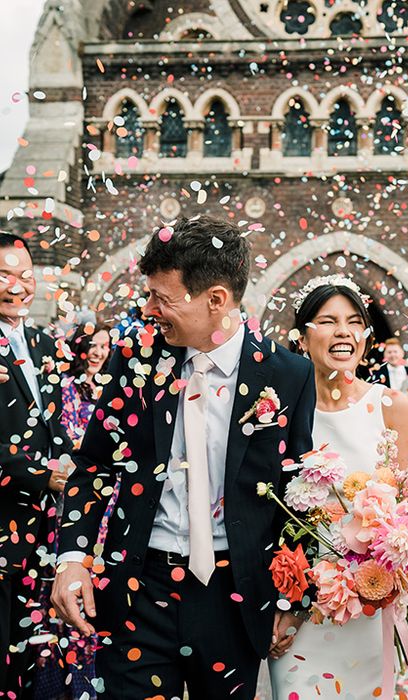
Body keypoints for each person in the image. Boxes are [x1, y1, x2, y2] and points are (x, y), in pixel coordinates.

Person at [51, 216, 316, 698]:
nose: (149, 308)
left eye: (162, 298)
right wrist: (71, 558)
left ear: (215, 299)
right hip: (138, 588)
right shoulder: (135, 359)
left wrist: (292, 596)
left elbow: (300, 493)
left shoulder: (288, 373)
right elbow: (94, 464)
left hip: (232, 594)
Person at [268, 276, 408, 698]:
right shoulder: (278, 413)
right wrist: (288, 602)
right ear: (301, 337)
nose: (343, 333)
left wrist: (393, 566)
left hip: (369, 606)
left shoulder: (392, 407)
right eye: (328, 321)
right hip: (299, 612)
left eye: (354, 322)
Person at [0, 232, 74, 695]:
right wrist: (45, 475)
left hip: (41, 534)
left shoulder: (44, 345)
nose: (17, 286)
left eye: (25, 275)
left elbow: (52, 424)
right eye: (4, 275)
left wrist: (71, 458)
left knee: (30, 657)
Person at [34, 322, 112, 699]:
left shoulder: (114, 389)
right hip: (68, 499)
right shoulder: (62, 389)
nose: (98, 352)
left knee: (96, 587)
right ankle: (56, 684)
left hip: (107, 505)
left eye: (104, 347)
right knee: (64, 585)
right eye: (93, 345)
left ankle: (93, 681)